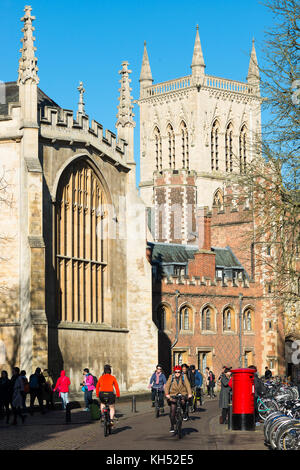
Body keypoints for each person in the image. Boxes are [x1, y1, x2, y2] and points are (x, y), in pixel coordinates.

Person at [164, 365, 192, 433]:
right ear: (174, 372)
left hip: (182, 392)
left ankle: (185, 412)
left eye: (179, 372)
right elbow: (167, 385)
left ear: (180, 372)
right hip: (173, 394)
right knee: (172, 411)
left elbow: (188, 385)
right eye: (176, 372)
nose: (177, 373)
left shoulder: (183, 377)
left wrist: (189, 393)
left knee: (183, 401)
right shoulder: (171, 377)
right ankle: (172, 426)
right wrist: (167, 394)